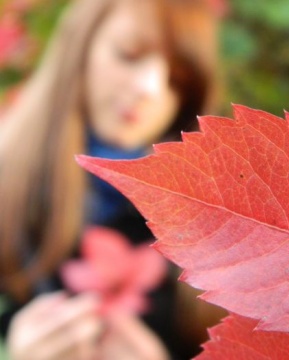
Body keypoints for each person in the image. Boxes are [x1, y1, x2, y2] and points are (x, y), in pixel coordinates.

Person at [0, 0, 224, 358]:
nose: (149, 87)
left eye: (177, 79)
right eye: (128, 54)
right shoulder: (7, 187)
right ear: (81, 46)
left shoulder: (213, 225)